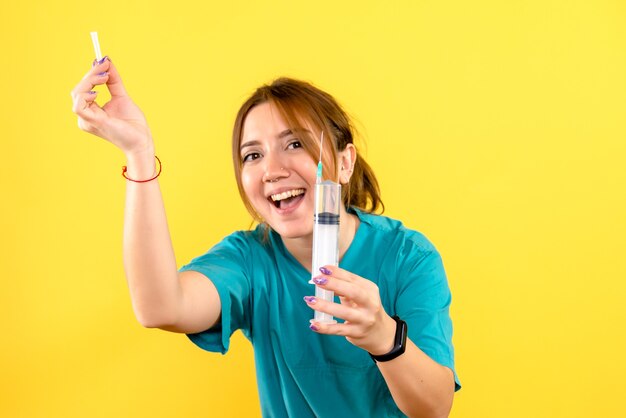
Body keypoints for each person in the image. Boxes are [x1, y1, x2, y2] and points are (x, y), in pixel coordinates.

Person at [71, 56, 461, 418]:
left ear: (344, 163)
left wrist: (384, 337)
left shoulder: (408, 257)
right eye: (252, 155)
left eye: (294, 144)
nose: (271, 170)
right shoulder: (249, 259)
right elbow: (159, 308)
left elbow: (434, 408)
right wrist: (139, 153)